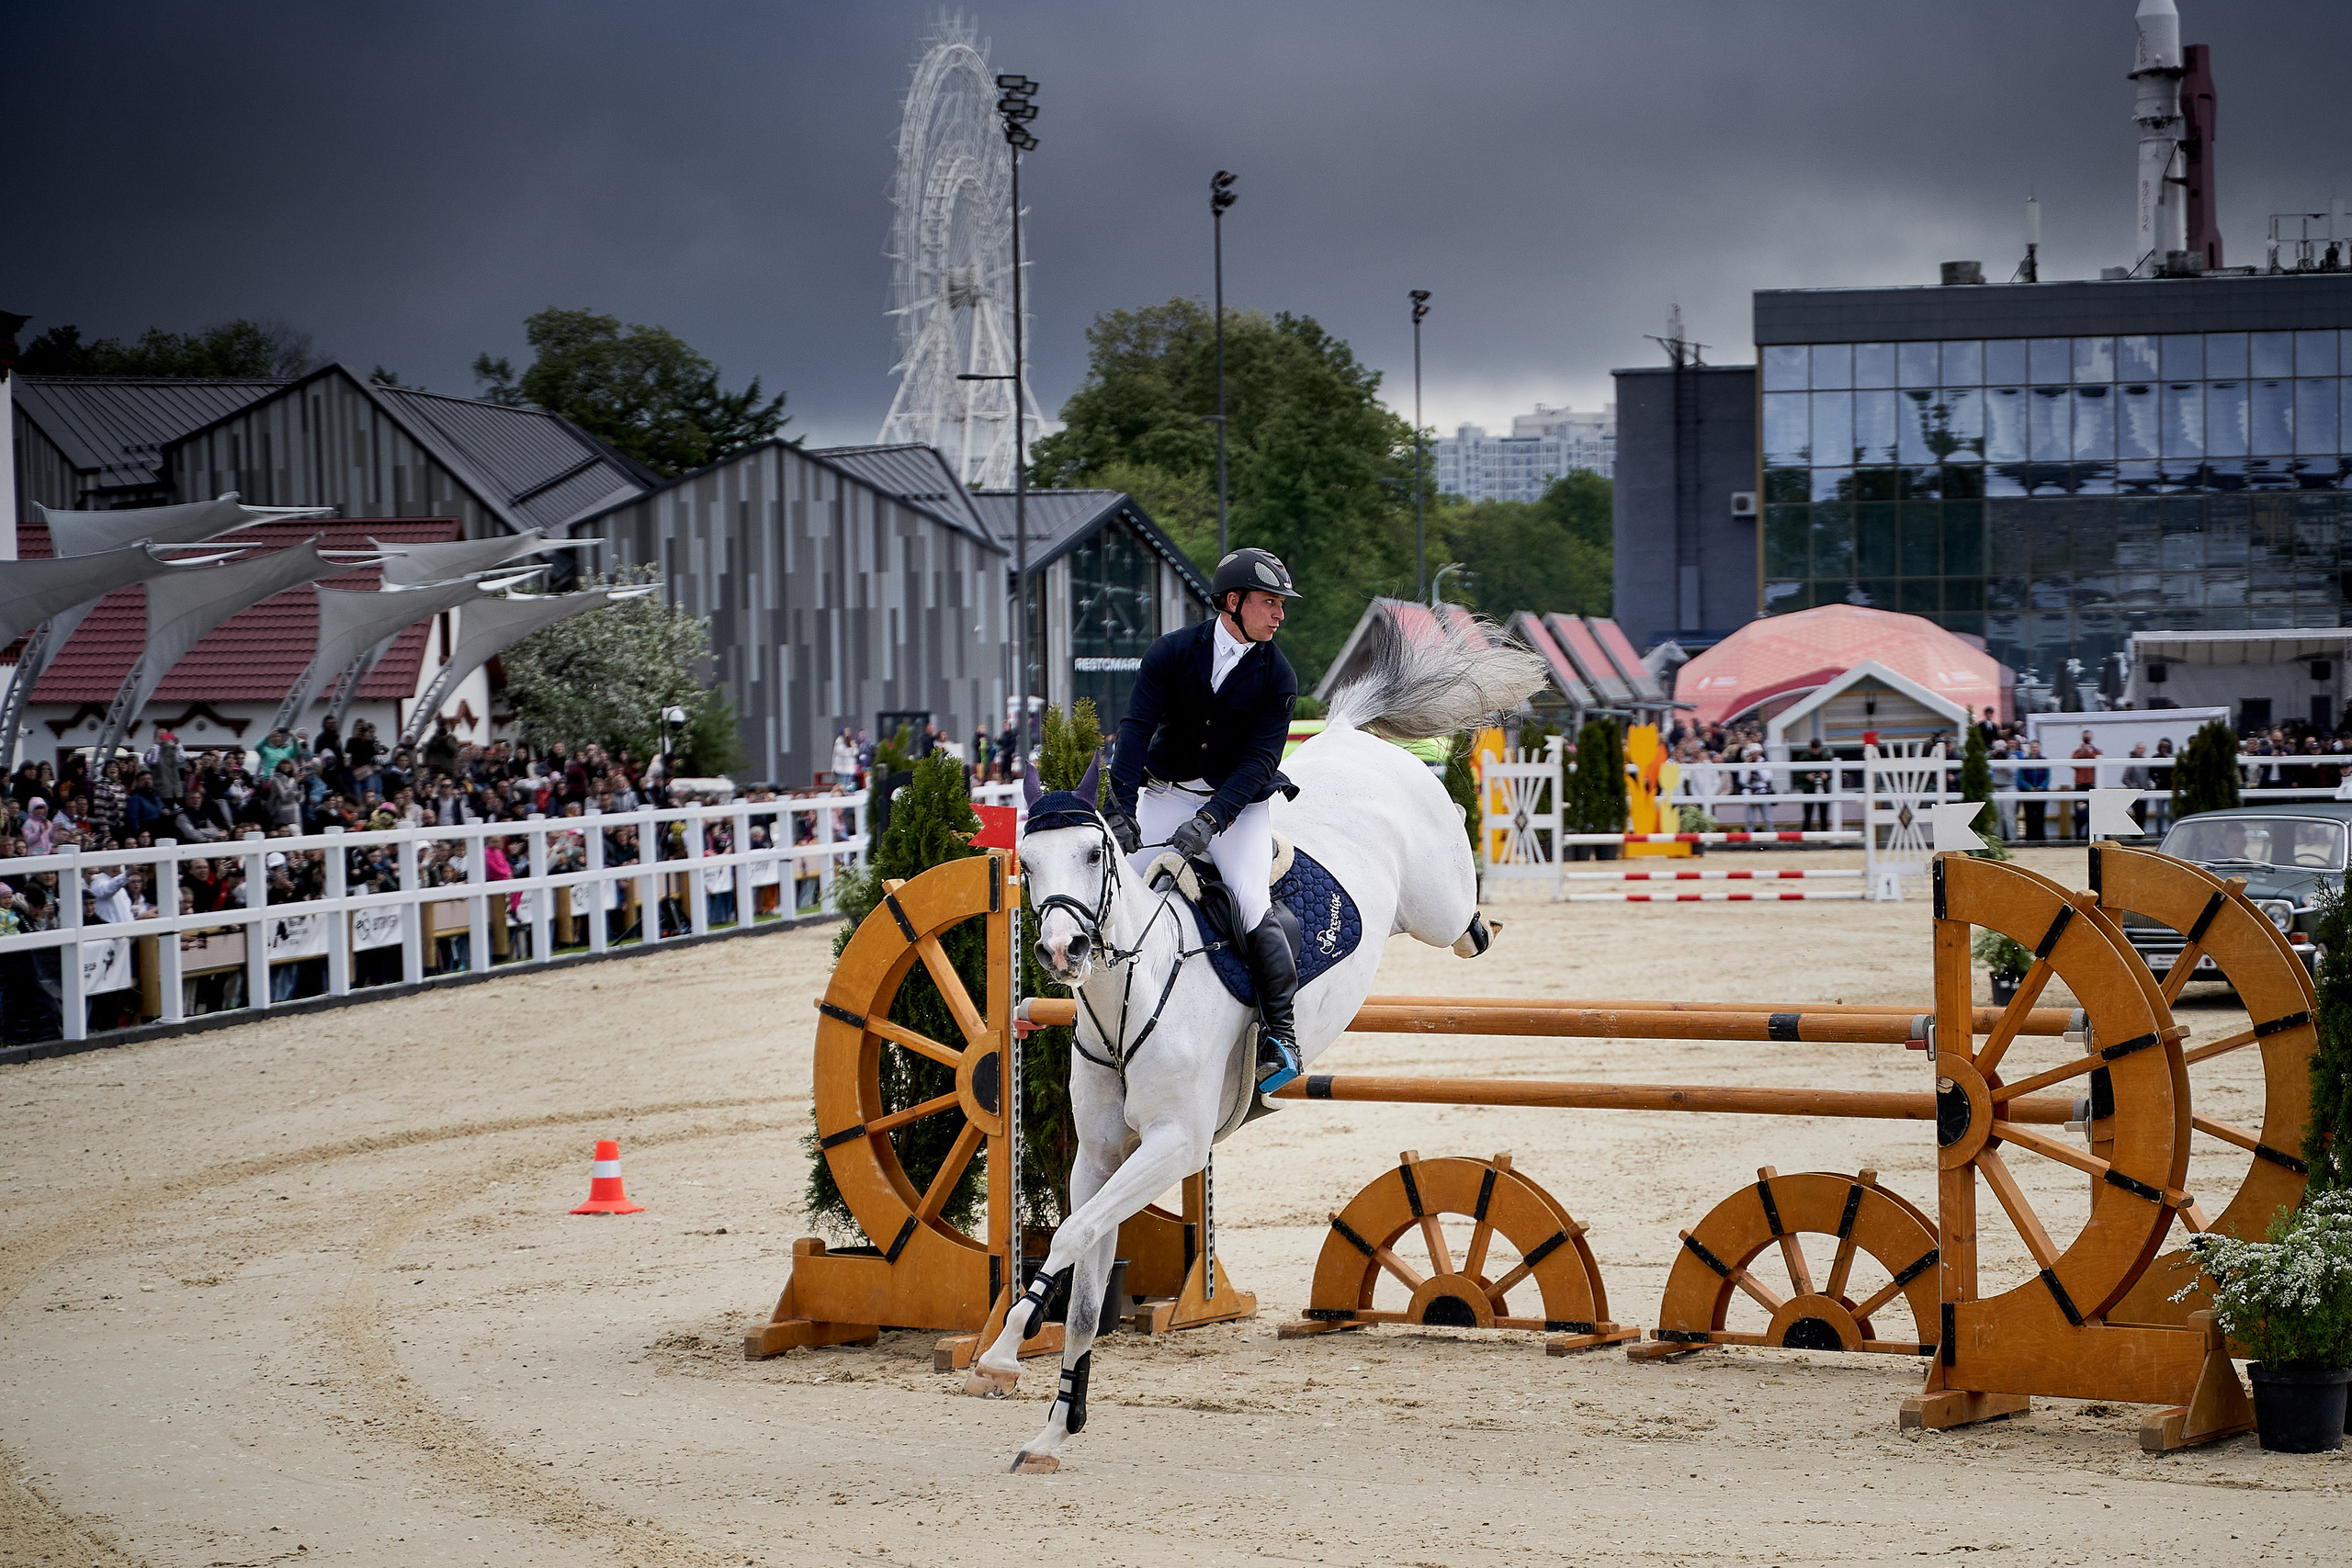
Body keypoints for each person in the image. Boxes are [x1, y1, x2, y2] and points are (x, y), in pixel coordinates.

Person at [1103, 547, 1305, 1092]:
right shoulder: (1171, 653)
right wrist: (1120, 808)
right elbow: (1135, 730)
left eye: (1281, 605)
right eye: (1270, 603)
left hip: (1237, 808)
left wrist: (1213, 819)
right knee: (1118, 887)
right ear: (1232, 602)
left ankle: (1280, 1035)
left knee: (1248, 899)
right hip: (1166, 793)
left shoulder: (1278, 674)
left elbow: (1260, 762)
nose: (1279, 614)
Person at [2070, 730, 2101, 840]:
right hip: (2080, 786)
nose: (2086, 738)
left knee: (2092, 813)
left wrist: (2090, 753)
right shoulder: (2077, 752)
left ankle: (2089, 835)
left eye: (2088, 736)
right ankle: (2078, 836)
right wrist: (2082, 754)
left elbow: (2099, 764)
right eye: (2085, 736)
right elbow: (2073, 765)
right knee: (2080, 813)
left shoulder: (2097, 751)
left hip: (2091, 785)